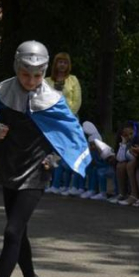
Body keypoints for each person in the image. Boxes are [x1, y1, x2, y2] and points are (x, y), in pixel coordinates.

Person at [0, 41, 89, 277]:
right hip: (8, 164)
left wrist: (55, 158)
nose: (31, 81)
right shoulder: (2, 92)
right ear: (17, 69)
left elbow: (71, 133)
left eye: (37, 75)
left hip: (37, 169)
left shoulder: (53, 99)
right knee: (20, 232)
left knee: (12, 231)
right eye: (26, 74)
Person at [45, 52, 82, 193]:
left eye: (65, 62)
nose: (62, 65)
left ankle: (66, 184)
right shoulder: (47, 81)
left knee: (66, 151)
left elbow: (77, 100)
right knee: (51, 152)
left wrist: (67, 116)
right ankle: (51, 182)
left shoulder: (73, 80)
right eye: (60, 62)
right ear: (55, 64)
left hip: (69, 120)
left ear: (68, 65)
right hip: (52, 120)